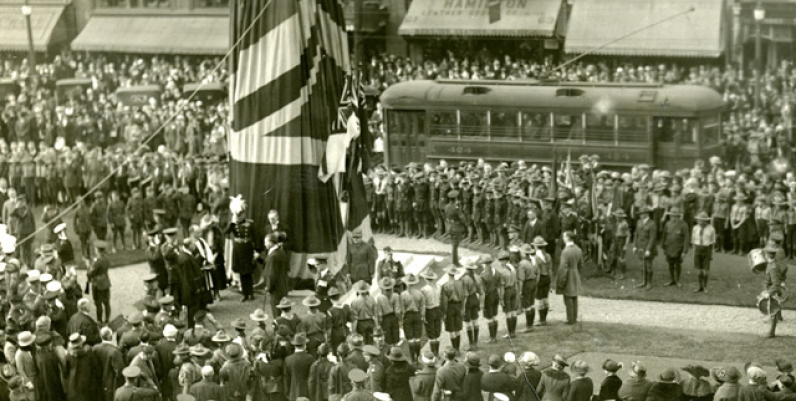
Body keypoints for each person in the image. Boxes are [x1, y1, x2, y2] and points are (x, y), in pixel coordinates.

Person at [226, 195, 256, 302]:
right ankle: (245, 293)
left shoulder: (250, 223)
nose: (239, 216)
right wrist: (232, 222)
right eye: (237, 215)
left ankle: (251, 293)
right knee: (242, 273)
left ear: (244, 214)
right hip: (238, 250)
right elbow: (226, 232)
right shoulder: (234, 225)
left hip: (248, 249)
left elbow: (255, 237)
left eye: (241, 214)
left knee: (249, 272)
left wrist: (256, 250)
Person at [557, 231, 582, 325]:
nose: (563, 239)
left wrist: (561, 281)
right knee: (574, 296)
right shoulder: (578, 249)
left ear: (567, 238)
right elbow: (581, 265)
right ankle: (574, 317)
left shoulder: (565, 251)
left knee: (568, 297)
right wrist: (578, 274)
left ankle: (570, 318)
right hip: (575, 274)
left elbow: (563, 268)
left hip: (568, 275)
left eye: (564, 237)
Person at [65, 333, 100, 401]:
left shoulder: (68, 357)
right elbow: (97, 369)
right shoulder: (89, 354)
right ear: (81, 344)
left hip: (72, 388)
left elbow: (66, 372)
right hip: (88, 387)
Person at [763, 242, 788, 338]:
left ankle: (771, 332)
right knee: (775, 306)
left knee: (773, 310)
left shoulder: (773, 267)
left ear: (767, 255)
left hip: (773, 290)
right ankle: (780, 317)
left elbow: (776, 283)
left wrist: (768, 293)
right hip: (773, 289)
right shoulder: (772, 264)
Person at [94, 326, 125, 401]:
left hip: (97, 383)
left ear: (101, 336)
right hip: (110, 385)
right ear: (111, 337)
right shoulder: (114, 351)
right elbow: (120, 371)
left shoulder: (95, 348)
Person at [661, 208, 690, 287]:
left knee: (677, 264)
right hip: (669, 246)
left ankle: (677, 280)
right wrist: (663, 245)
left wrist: (684, 251)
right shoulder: (667, 224)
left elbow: (686, 238)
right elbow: (664, 235)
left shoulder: (684, 225)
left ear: (679, 216)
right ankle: (671, 279)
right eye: (672, 216)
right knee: (670, 263)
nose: (674, 218)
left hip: (678, 248)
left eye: (676, 216)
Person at [400, 273, 425, 362]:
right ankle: (418, 357)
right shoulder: (419, 293)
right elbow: (422, 306)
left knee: (410, 339)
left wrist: (402, 319)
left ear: (406, 283)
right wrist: (422, 316)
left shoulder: (403, 295)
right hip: (417, 314)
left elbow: (402, 309)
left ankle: (413, 359)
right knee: (417, 338)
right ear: (414, 283)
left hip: (407, 316)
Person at [440, 266, 464, 352]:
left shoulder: (445, 285)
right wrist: (462, 308)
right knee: (457, 328)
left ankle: (454, 349)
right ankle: (457, 348)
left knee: (451, 329)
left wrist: (444, 313)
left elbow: (445, 302)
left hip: (450, 307)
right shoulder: (460, 283)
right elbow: (462, 297)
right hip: (458, 306)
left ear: (447, 273)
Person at [87, 240, 112, 324]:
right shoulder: (106, 259)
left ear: (97, 250)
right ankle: (107, 319)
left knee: (98, 303)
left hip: (97, 284)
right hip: (105, 281)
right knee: (107, 302)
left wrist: (90, 265)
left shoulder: (97, 261)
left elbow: (90, 273)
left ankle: (99, 321)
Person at [285, 332, 315, 400]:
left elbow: (287, 379)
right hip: (307, 392)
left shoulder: (288, 359)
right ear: (304, 345)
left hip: (293, 392)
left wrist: (287, 393)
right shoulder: (310, 358)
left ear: (294, 345)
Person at [264, 233, 288, 316]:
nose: (264, 244)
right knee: (283, 309)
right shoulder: (281, 252)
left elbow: (271, 274)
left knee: (276, 310)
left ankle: (278, 328)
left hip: (275, 288)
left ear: (270, 243)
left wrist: (268, 287)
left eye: (265, 242)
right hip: (282, 285)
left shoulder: (273, 256)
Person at [634, 207, 657, 290]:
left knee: (648, 265)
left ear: (647, 214)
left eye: (642, 213)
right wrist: (634, 246)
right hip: (640, 247)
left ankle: (649, 283)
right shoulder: (639, 222)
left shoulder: (652, 224)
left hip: (648, 248)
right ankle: (644, 281)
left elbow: (652, 238)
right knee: (642, 265)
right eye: (640, 214)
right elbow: (636, 234)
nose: (640, 215)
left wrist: (648, 249)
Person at [692, 212, 716, 293]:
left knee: (705, 271)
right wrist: (693, 251)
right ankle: (700, 286)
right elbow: (693, 241)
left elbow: (712, 242)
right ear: (697, 220)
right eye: (700, 220)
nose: (701, 222)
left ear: (707, 221)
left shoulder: (711, 229)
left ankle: (705, 286)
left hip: (706, 249)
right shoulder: (695, 228)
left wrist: (712, 253)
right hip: (697, 249)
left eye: (703, 221)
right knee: (699, 271)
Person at [420, 270, 442, 357]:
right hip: (437, 309)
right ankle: (436, 352)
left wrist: (423, 316)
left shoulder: (424, 289)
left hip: (429, 311)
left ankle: (433, 353)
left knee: (431, 334)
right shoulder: (439, 287)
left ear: (426, 279)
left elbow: (423, 304)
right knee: (437, 332)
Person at [350, 281, 378, 345]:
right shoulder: (372, 299)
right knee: (371, 342)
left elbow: (355, 319)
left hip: (360, 323)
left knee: (363, 343)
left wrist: (353, 331)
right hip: (371, 322)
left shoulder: (354, 302)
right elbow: (375, 315)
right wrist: (377, 325)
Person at [445, 190, 467, 266]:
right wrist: (459, 208)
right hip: (457, 227)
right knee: (455, 245)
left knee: (454, 244)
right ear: (455, 199)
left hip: (450, 226)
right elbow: (463, 218)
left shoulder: (446, 206)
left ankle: (454, 260)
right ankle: (455, 262)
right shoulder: (456, 208)